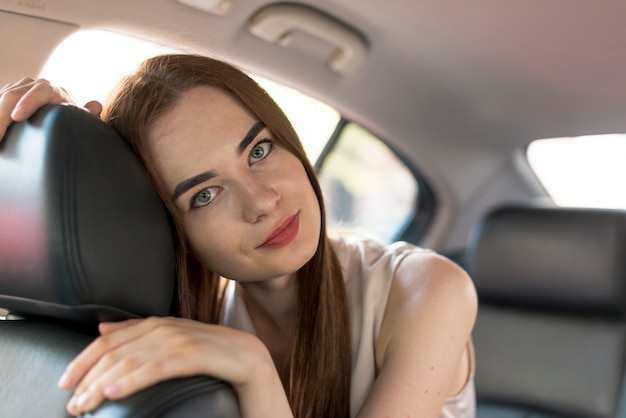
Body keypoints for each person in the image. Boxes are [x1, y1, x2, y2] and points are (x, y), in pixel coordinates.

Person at [0, 54, 478, 418]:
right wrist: (57, 151)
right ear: (172, 231)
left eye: (259, 149)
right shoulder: (180, 318)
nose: (262, 201)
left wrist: (253, 370)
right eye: (205, 195)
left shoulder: (427, 289)